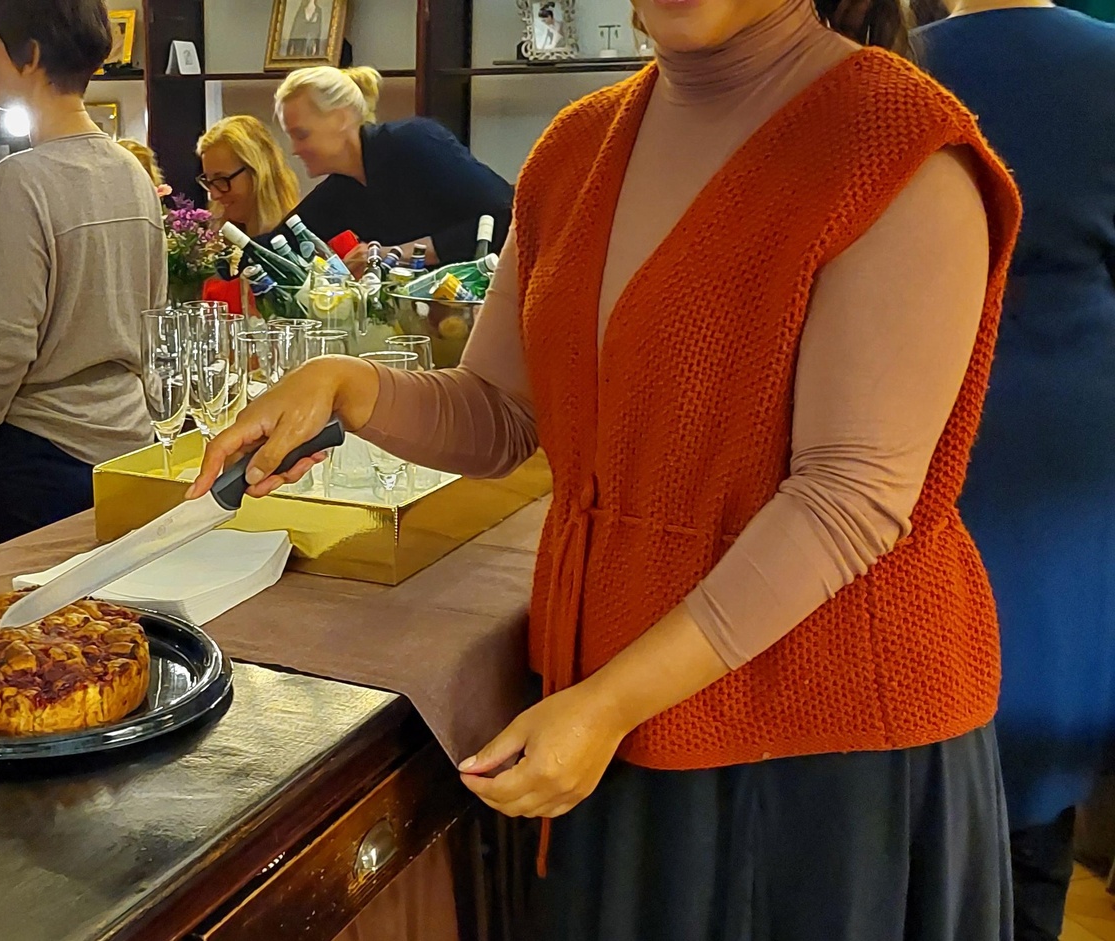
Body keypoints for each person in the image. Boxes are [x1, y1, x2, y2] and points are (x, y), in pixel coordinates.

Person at [194, 0, 1022, 934]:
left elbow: (849, 501)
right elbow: (504, 414)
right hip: (614, 711)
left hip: (820, 752)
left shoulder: (897, 144)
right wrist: (344, 384)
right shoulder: (579, 147)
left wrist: (609, 701)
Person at [916, 6, 1115, 939]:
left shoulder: (882, 73)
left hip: (915, 421)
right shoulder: (1106, 64)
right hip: (1074, 438)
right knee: (1045, 721)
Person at [0, 0, 163, 546]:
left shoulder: (22, 179)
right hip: (128, 440)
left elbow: (9, 337)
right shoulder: (131, 169)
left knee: (39, 625)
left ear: (31, 56)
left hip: (42, 447)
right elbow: (152, 320)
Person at [275, 66, 512, 274]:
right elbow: (273, 248)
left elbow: (507, 216)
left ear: (340, 118)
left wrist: (394, 254)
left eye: (302, 135)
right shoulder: (342, 188)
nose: (294, 150)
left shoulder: (415, 142)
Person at [196, 115, 301, 239]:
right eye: (209, 182)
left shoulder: (300, 242)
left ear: (257, 173)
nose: (214, 195)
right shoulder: (222, 246)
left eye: (222, 180)